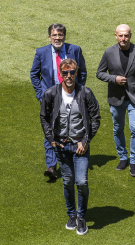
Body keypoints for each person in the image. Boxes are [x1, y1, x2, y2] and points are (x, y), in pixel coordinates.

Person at [40, 59, 100, 235]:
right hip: (60, 146)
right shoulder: (51, 93)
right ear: (60, 73)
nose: (68, 76)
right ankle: (71, 215)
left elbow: (96, 118)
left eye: (72, 72)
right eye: (65, 73)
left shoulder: (85, 93)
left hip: (80, 146)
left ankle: (81, 217)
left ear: (76, 73)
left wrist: (86, 140)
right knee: (67, 182)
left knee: (81, 182)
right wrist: (50, 138)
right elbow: (44, 116)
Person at [96, 24, 135, 177]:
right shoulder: (109, 53)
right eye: (120, 35)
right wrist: (113, 78)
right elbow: (99, 73)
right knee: (118, 128)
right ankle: (123, 157)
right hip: (116, 98)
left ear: (130, 35)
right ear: (115, 35)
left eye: (126, 35)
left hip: (134, 98)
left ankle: (134, 161)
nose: (123, 38)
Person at [31, 23, 87, 179]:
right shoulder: (41, 52)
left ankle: (71, 159)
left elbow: (82, 72)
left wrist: (79, 91)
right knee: (49, 130)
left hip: (70, 96)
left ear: (64, 36)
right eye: (54, 35)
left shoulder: (75, 50)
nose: (57, 38)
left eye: (60, 35)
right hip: (49, 98)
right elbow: (34, 75)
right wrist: (40, 94)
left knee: (70, 127)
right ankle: (51, 166)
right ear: (49, 37)